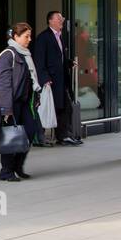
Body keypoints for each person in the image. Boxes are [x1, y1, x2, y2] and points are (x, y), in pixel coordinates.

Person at [0, 22, 42, 182]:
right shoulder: (8, 55)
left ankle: (18, 166)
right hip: (11, 103)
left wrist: (35, 97)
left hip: (25, 102)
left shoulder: (25, 55)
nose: (29, 39)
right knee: (10, 136)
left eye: (30, 36)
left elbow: (30, 80)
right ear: (15, 37)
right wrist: (6, 109)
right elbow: (4, 84)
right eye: (26, 36)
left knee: (30, 132)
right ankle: (6, 171)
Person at [32, 10, 79, 146]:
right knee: (45, 108)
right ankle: (40, 138)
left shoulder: (59, 37)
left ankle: (63, 136)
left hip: (61, 80)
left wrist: (69, 62)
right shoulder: (43, 38)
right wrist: (44, 78)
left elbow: (59, 58)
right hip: (50, 81)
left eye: (62, 18)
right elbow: (39, 60)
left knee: (64, 107)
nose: (62, 20)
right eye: (59, 18)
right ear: (50, 21)